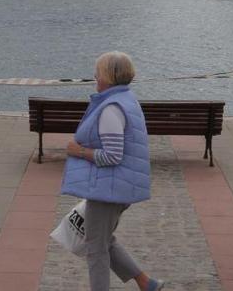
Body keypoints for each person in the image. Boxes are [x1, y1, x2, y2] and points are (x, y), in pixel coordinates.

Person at [61, 51, 164, 291]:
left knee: (95, 248)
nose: (95, 76)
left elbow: (112, 155)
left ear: (108, 76)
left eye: (98, 71)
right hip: (117, 185)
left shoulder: (111, 108)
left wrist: (79, 151)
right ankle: (146, 283)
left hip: (108, 189)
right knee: (104, 240)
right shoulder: (126, 99)